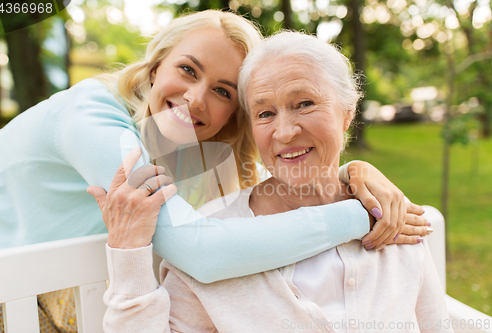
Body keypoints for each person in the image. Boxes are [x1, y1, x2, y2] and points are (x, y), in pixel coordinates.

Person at [0, 10, 426, 331]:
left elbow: (280, 182)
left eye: (222, 91)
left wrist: (349, 174)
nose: (197, 100)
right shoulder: (88, 112)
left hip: (46, 295)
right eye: (187, 70)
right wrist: (361, 215)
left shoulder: (186, 146)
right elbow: (202, 252)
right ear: (156, 63)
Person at [100, 31, 449, 332]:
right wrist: (127, 254)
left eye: (304, 103)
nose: (284, 132)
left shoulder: (394, 217)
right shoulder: (212, 235)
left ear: (347, 113)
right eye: (265, 113)